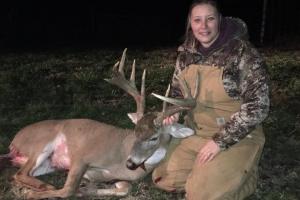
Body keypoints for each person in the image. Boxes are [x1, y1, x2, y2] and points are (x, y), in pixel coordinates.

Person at [152, 0, 269, 199]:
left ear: (219, 21)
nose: (203, 26)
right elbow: (177, 93)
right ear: (190, 22)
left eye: (210, 19)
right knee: (162, 179)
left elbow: (258, 107)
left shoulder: (243, 53)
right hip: (196, 132)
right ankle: (212, 175)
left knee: (199, 194)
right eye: (197, 20)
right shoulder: (186, 55)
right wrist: (173, 113)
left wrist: (219, 142)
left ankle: (246, 176)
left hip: (236, 136)